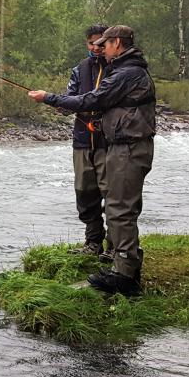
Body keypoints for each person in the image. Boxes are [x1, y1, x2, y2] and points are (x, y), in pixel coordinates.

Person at [28, 25, 156, 296]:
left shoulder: (126, 72)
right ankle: (123, 267)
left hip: (128, 148)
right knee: (117, 207)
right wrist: (64, 103)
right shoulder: (123, 70)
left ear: (117, 43)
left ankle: (124, 275)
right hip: (123, 147)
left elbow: (95, 98)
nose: (101, 48)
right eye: (96, 44)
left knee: (120, 210)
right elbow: (94, 101)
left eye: (105, 44)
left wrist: (48, 98)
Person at [65, 24, 111, 259]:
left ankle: (114, 247)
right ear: (87, 44)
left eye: (100, 43)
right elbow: (71, 98)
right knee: (84, 191)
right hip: (83, 140)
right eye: (91, 43)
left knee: (111, 193)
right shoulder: (79, 70)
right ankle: (93, 242)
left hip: (109, 142)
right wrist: (59, 103)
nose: (95, 47)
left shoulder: (118, 69)